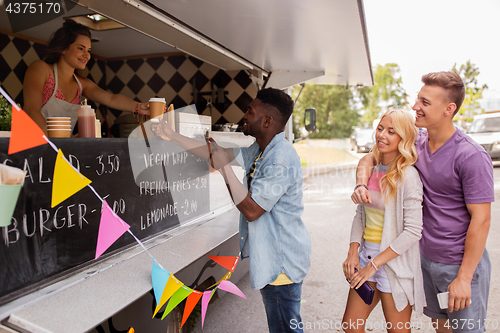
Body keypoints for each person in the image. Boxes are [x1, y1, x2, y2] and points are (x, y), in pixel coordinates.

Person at [152, 88, 311, 333]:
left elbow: (252, 210)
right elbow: (214, 154)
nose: (244, 115)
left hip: (282, 264)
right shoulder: (259, 150)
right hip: (276, 260)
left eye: (251, 111)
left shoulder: (279, 159)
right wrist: (171, 135)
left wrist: (225, 169)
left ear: (267, 121)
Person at [352, 71, 493, 333]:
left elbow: (482, 220)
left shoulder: (471, 155)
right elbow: (370, 157)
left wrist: (463, 277)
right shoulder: (418, 142)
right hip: (425, 263)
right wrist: (361, 183)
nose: (415, 107)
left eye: (425, 102)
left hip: (457, 267)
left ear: (448, 109)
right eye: (418, 99)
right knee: (442, 328)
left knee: (467, 331)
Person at [342, 109, 425, 333]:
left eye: (391, 131)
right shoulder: (374, 169)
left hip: (393, 264)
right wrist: (353, 251)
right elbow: (361, 214)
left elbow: (413, 231)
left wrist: (374, 265)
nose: (382, 135)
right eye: (380, 129)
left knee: (397, 331)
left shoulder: (408, 177)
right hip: (366, 256)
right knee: (351, 325)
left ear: (404, 138)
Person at [23, 19, 150, 135]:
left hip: (61, 149)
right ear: (63, 48)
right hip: (34, 145)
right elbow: (31, 111)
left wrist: (139, 107)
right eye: (80, 48)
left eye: (88, 50)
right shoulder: (41, 69)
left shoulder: (81, 84)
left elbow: (111, 99)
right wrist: (56, 141)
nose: (87, 55)